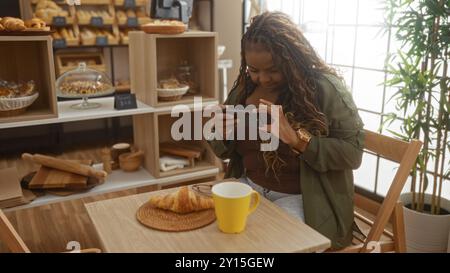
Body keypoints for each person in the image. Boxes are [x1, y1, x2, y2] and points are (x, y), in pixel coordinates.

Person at [207, 11, 365, 249]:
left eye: (273, 70)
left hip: (303, 199)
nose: (263, 79)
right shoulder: (245, 88)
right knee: (209, 236)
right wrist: (218, 129)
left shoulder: (324, 89)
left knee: (265, 246)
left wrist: (299, 140)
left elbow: (353, 154)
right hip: (248, 186)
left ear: (292, 59)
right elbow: (223, 152)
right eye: (254, 70)